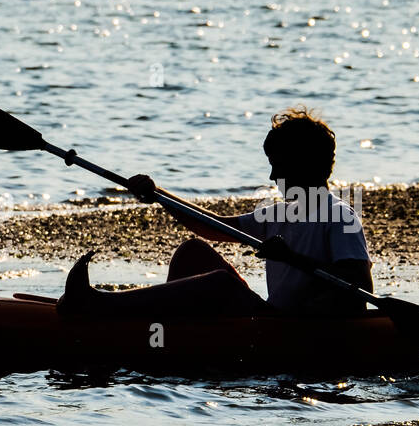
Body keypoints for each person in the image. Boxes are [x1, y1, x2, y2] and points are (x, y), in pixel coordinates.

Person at [58, 107, 372, 318]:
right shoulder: (277, 213)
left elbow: (359, 290)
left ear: (304, 164)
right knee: (192, 252)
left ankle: (100, 306)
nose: (273, 177)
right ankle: (158, 325)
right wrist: (158, 194)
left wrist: (293, 258)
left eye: (279, 165)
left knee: (221, 283)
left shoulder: (340, 216)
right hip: (272, 317)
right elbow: (211, 226)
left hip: (296, 326)